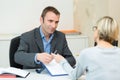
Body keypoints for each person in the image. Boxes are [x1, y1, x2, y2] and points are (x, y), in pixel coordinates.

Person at [53, 16, 120, 80]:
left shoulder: (87, 53)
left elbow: (73, 76)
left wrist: (62, 61)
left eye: (95, 28)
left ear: (98, 31)